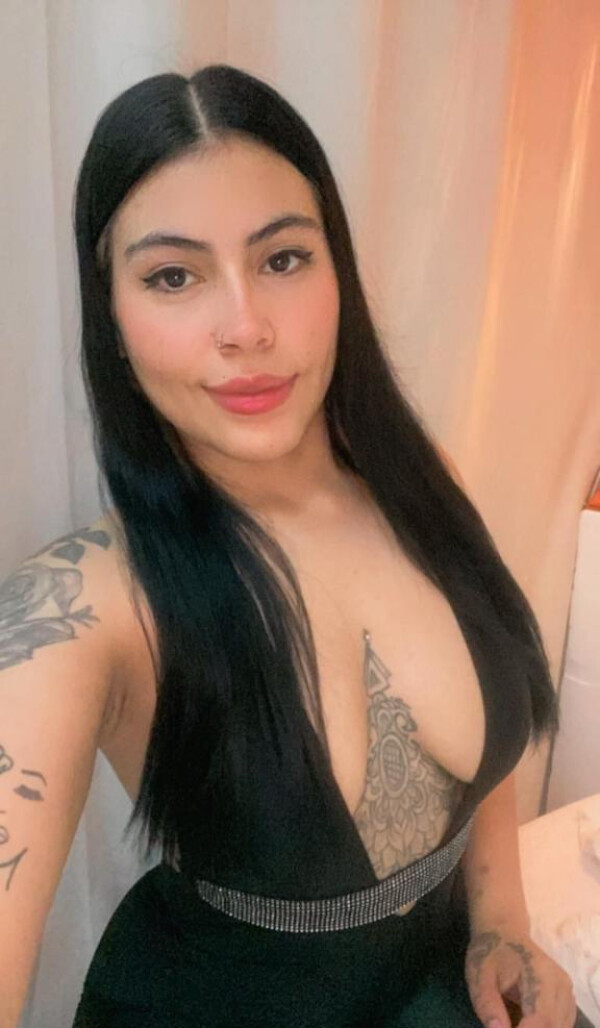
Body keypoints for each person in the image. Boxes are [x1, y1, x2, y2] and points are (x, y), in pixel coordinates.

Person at [0, 63, 590, 1028]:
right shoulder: (84, 610)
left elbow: (485, 751)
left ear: (337, 271)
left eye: (282, 258)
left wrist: (501, 927)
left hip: (439, 993)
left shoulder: (417, 480)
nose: (247, 327)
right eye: (173, 276)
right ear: (112, 318)